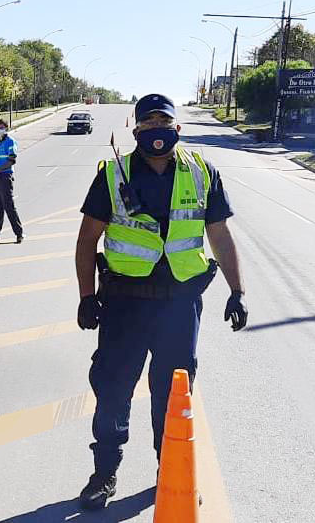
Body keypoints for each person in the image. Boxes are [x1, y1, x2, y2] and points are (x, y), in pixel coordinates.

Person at [73, 94, 248, 510]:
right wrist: (85, 297)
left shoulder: (202, 172)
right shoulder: (114, 175)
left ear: (177, 128)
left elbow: (219, 235)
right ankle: (104, 472)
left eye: (163, 121)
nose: (156, 129)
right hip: (124, 305)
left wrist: (238, 290)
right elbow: (87, 240)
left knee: (172, 395)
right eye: (148, 123)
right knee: (114, 388)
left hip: (178, 306)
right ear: (136, 130)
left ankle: (168, 468)